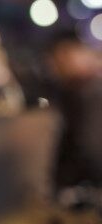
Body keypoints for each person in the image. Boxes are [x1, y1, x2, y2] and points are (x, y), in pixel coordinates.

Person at [46, 31, 102, 193]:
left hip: (85, 192)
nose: (56, 66)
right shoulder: (74, 91)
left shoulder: (89, 92)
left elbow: (91, 149)